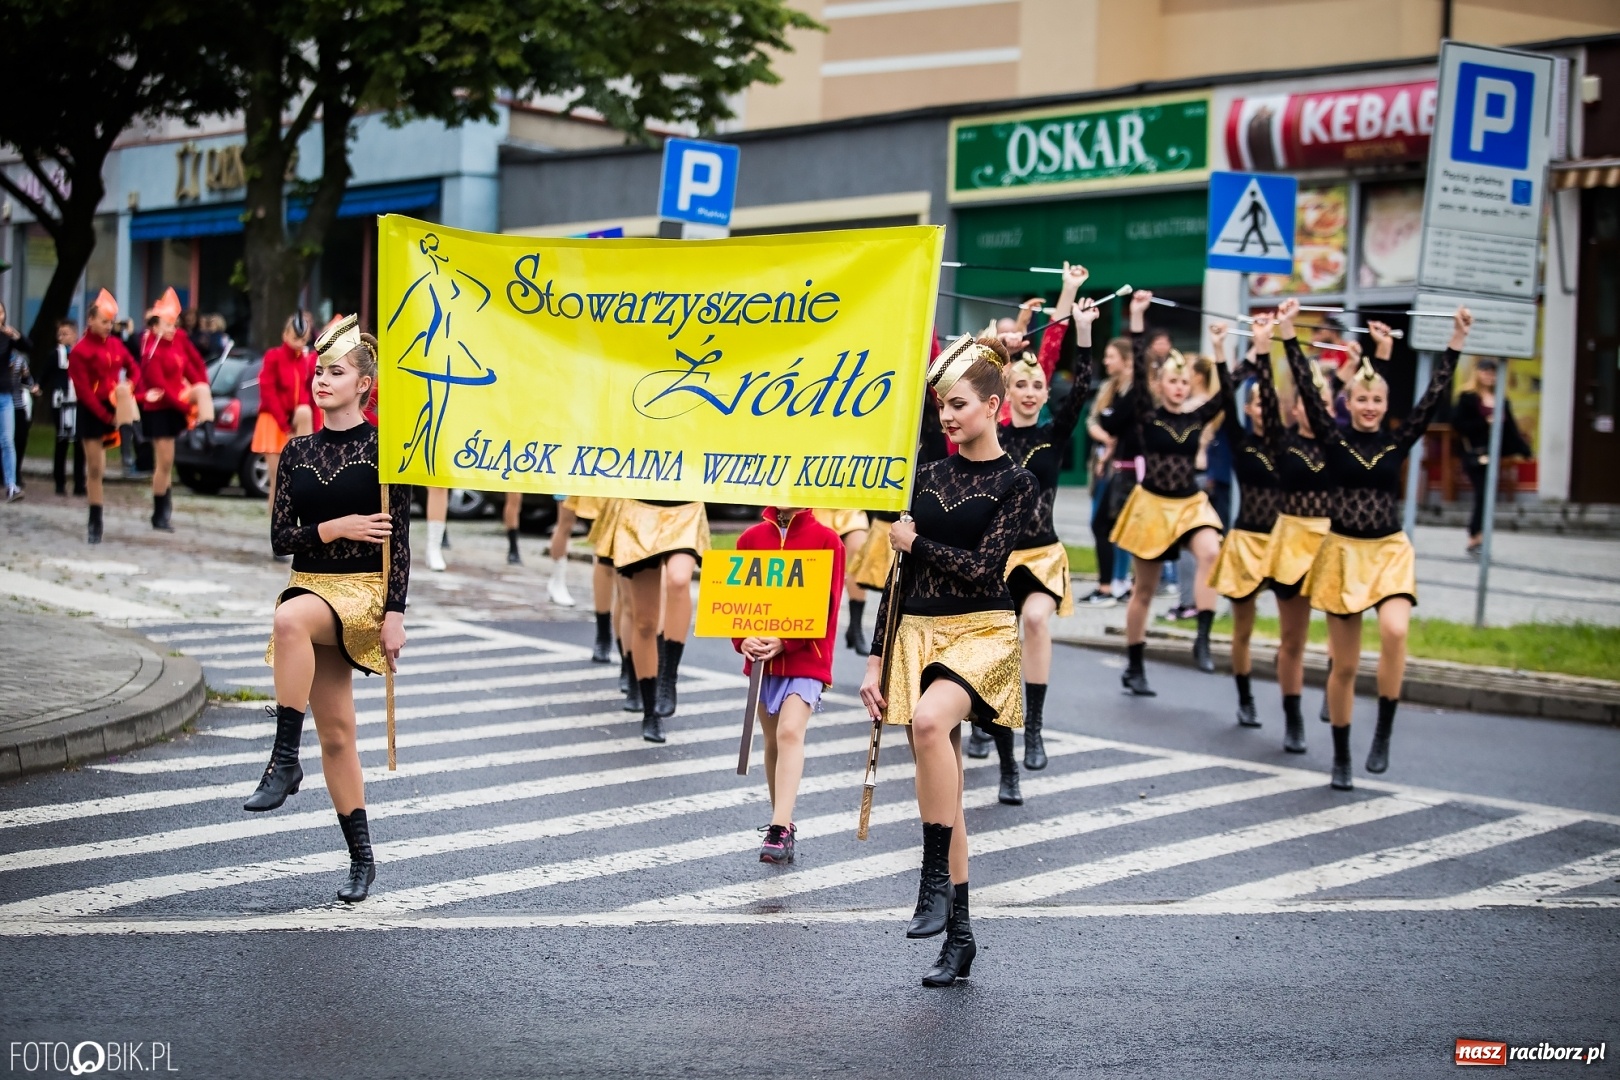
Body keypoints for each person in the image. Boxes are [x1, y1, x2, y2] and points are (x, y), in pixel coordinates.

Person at [860, 331, 1036, 989]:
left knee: (932, 724)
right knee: (947, 786)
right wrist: (876, 662)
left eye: (959, 404)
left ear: (994, 405)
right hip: (917, 634)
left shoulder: (1017, 483)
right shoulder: (925, 475)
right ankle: (959, 934)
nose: (948, 416)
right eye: (941, 408)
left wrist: (915, 540)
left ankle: (931, 879)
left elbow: (983, 567)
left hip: (982, 633)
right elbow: (896, 579)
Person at [245, 314, 409, 905]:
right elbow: (280, 539)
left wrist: (396, 612)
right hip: (311, 581)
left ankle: (283, 760)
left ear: (364, 382)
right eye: (318, 371)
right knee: (338, 736)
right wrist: (334, 525)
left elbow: (400, 542)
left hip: (361, 591)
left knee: (288, 617)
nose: (322, 381)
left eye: (336, 372)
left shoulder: (387, 449)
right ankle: (362, 860)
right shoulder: (296, 451)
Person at [1282, 299, 1471, 790]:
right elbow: (1304, 383)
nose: (1369, 407)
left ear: (1386, 405)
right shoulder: (1332, 438)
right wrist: (1286, 336)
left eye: (1377, 401)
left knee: (1393, 633)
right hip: (1343, 552)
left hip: (1388, 552)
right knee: (1343, 666)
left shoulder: (1398, 440)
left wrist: (1455, 344)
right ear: (1348, 402)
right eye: (1361, 400)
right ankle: (1342, 755)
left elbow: (1432, 396)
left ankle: (1383, 730)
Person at [972, 278, 1096, 794]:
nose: (1028, 392)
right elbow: (969, 378)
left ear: (1046, 394)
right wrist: (1001, 345)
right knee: (995, 645)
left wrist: (1081, 332)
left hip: (1042, 555)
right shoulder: (991, 431)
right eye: (1019, 385)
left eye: (1036, 386)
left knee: (1037, 621)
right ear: (1006, 395)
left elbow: (1082, 385)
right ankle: (988, 722)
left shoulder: (1054, 433)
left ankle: (1036, 727)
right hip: (996, 556)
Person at [1108, 290, 1226, 694]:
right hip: (1152, 505)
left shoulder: (1196, 416)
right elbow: (1139, 372)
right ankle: (1135, 663)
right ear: (1161, 384)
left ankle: (1203, 637)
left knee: (1212, 551)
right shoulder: (1147, 414)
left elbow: (1226, 394)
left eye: (1183, 381)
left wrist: (1222, 349)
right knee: (1143, 590)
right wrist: (1138, 318)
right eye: (1171, 381)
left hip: (1190, 504)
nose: (1177, 387)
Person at [733, 506, 845, 864]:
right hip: (763, 662)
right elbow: (736, 601)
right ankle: (783, 823)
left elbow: (828, 606)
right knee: (772, 742)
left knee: (790, 732)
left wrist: (788, 640)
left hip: (806, 658)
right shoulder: (749, 540)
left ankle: (778, 828)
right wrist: (742, 639)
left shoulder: (828, 541)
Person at [1261, 332, 1342, 754]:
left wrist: (1377, 357)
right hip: (1292, 543)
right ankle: (1293, 718)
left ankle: (1334, 689)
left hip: (1333, 544)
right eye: (1309, 400)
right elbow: (1271, 395)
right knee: (1293, 639)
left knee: (1338, 636)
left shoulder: (1338, 444)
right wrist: (1264, 349)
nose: (1315, 407)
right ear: (1296, 407)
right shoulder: (1283, 440)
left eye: (1323, 401)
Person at [1205, 319, 1282, 729]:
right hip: (1247, 541)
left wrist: (1266, 348)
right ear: (1248, 409)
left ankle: (1296, 696)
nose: (1263, 408)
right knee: (1244, 629)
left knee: (1293, 633)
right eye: (1256, 402)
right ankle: (1245, 696)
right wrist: (1220, 350)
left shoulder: (1288, 446)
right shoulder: (1241, 439)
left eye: (1268, 402)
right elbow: (1226, 396)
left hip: (1285, 543)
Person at [613, 498, 710, 741]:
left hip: (685, 504)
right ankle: (650, 711)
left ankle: (668, 676)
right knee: (645, 622)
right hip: (638, 510)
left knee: (678, 580)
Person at [68, 291, 144, 543]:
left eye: (110, 322)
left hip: (116, 404)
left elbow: (134, 368)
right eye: (103, 321)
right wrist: (104, 416)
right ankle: (95, 518)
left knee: (123, 391)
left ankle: (130, 441)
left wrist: (131, 384)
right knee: (96, 468)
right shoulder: (80, 351)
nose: (108, 326)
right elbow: (84, 392)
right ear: (90, 320)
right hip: (92, 411)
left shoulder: (115, 344)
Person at [135, 291, 204, 531]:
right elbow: (161, 387)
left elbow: (193, 364)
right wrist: (186, 408)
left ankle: (164, 509)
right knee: (163, 462)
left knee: (168, 461)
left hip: (175, 404)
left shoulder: (178, 340)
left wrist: (200, 385)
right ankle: (160, 511)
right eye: (167, 324)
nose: (173, 328)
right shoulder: (151, 351)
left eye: (174, 323)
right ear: (155, 327)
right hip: (160, 409)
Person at [1453, 358, 1531, 556]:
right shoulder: (1467, 397)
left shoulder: (1501, 400)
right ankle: (1474, 536)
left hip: (1494, 454)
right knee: (1483, 493)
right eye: (1485, 371)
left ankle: (1479, 537)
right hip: (1475, 453)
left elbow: (1511, 429)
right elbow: (1458, 424)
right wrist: (1485, 422)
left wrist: (1524, 450)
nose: (1489, 376)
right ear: (1477, 373)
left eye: (1493, 372)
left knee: (1488, 495)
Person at [1086, 335, 1139, 606]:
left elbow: (1115, 421)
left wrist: (1107, 428)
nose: (1105, 362)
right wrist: (1105, 436)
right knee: (1102, 523)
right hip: (1107, 466)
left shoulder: (1136, 392)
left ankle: (1115, 584)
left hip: (1127, 471)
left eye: (1110, 357)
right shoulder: (1110, 388)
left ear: (1127, 361)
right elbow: (1095, 420)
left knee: (1111, 526)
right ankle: (1112, 583)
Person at [253, 313, 316, 524]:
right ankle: (277, 530)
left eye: (304, 340)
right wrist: (283, 423)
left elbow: (306, 395)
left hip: (294, 421)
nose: (299, 343)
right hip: (273, 422)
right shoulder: (274, 356)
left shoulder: (304, 362)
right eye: (296, 338)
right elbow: (268, 392)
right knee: (278, 482)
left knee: (295, 481)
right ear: (285, 335)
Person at [812, 507, 872, 654]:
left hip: (849, 506)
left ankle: (856, 626)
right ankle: (813, 626)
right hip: (816, 507)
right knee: (815, 565)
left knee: (858, 552)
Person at [0, 301, 34, 502]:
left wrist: (17, 336)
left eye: (1, 311)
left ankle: (11, 485)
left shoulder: (7, 336)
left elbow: (29, 347)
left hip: (5, 394)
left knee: (7, 440)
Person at [50, 320, 86, 497]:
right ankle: (59, 482)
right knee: (61, 440)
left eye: (66, 334)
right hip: (61, 401)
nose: (62, 338)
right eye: (60, 334)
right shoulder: (55, 354)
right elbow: (45, 374)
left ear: (74, 334)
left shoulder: (81, 352)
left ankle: (80, 483)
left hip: (78, 401)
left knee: (80, 443)